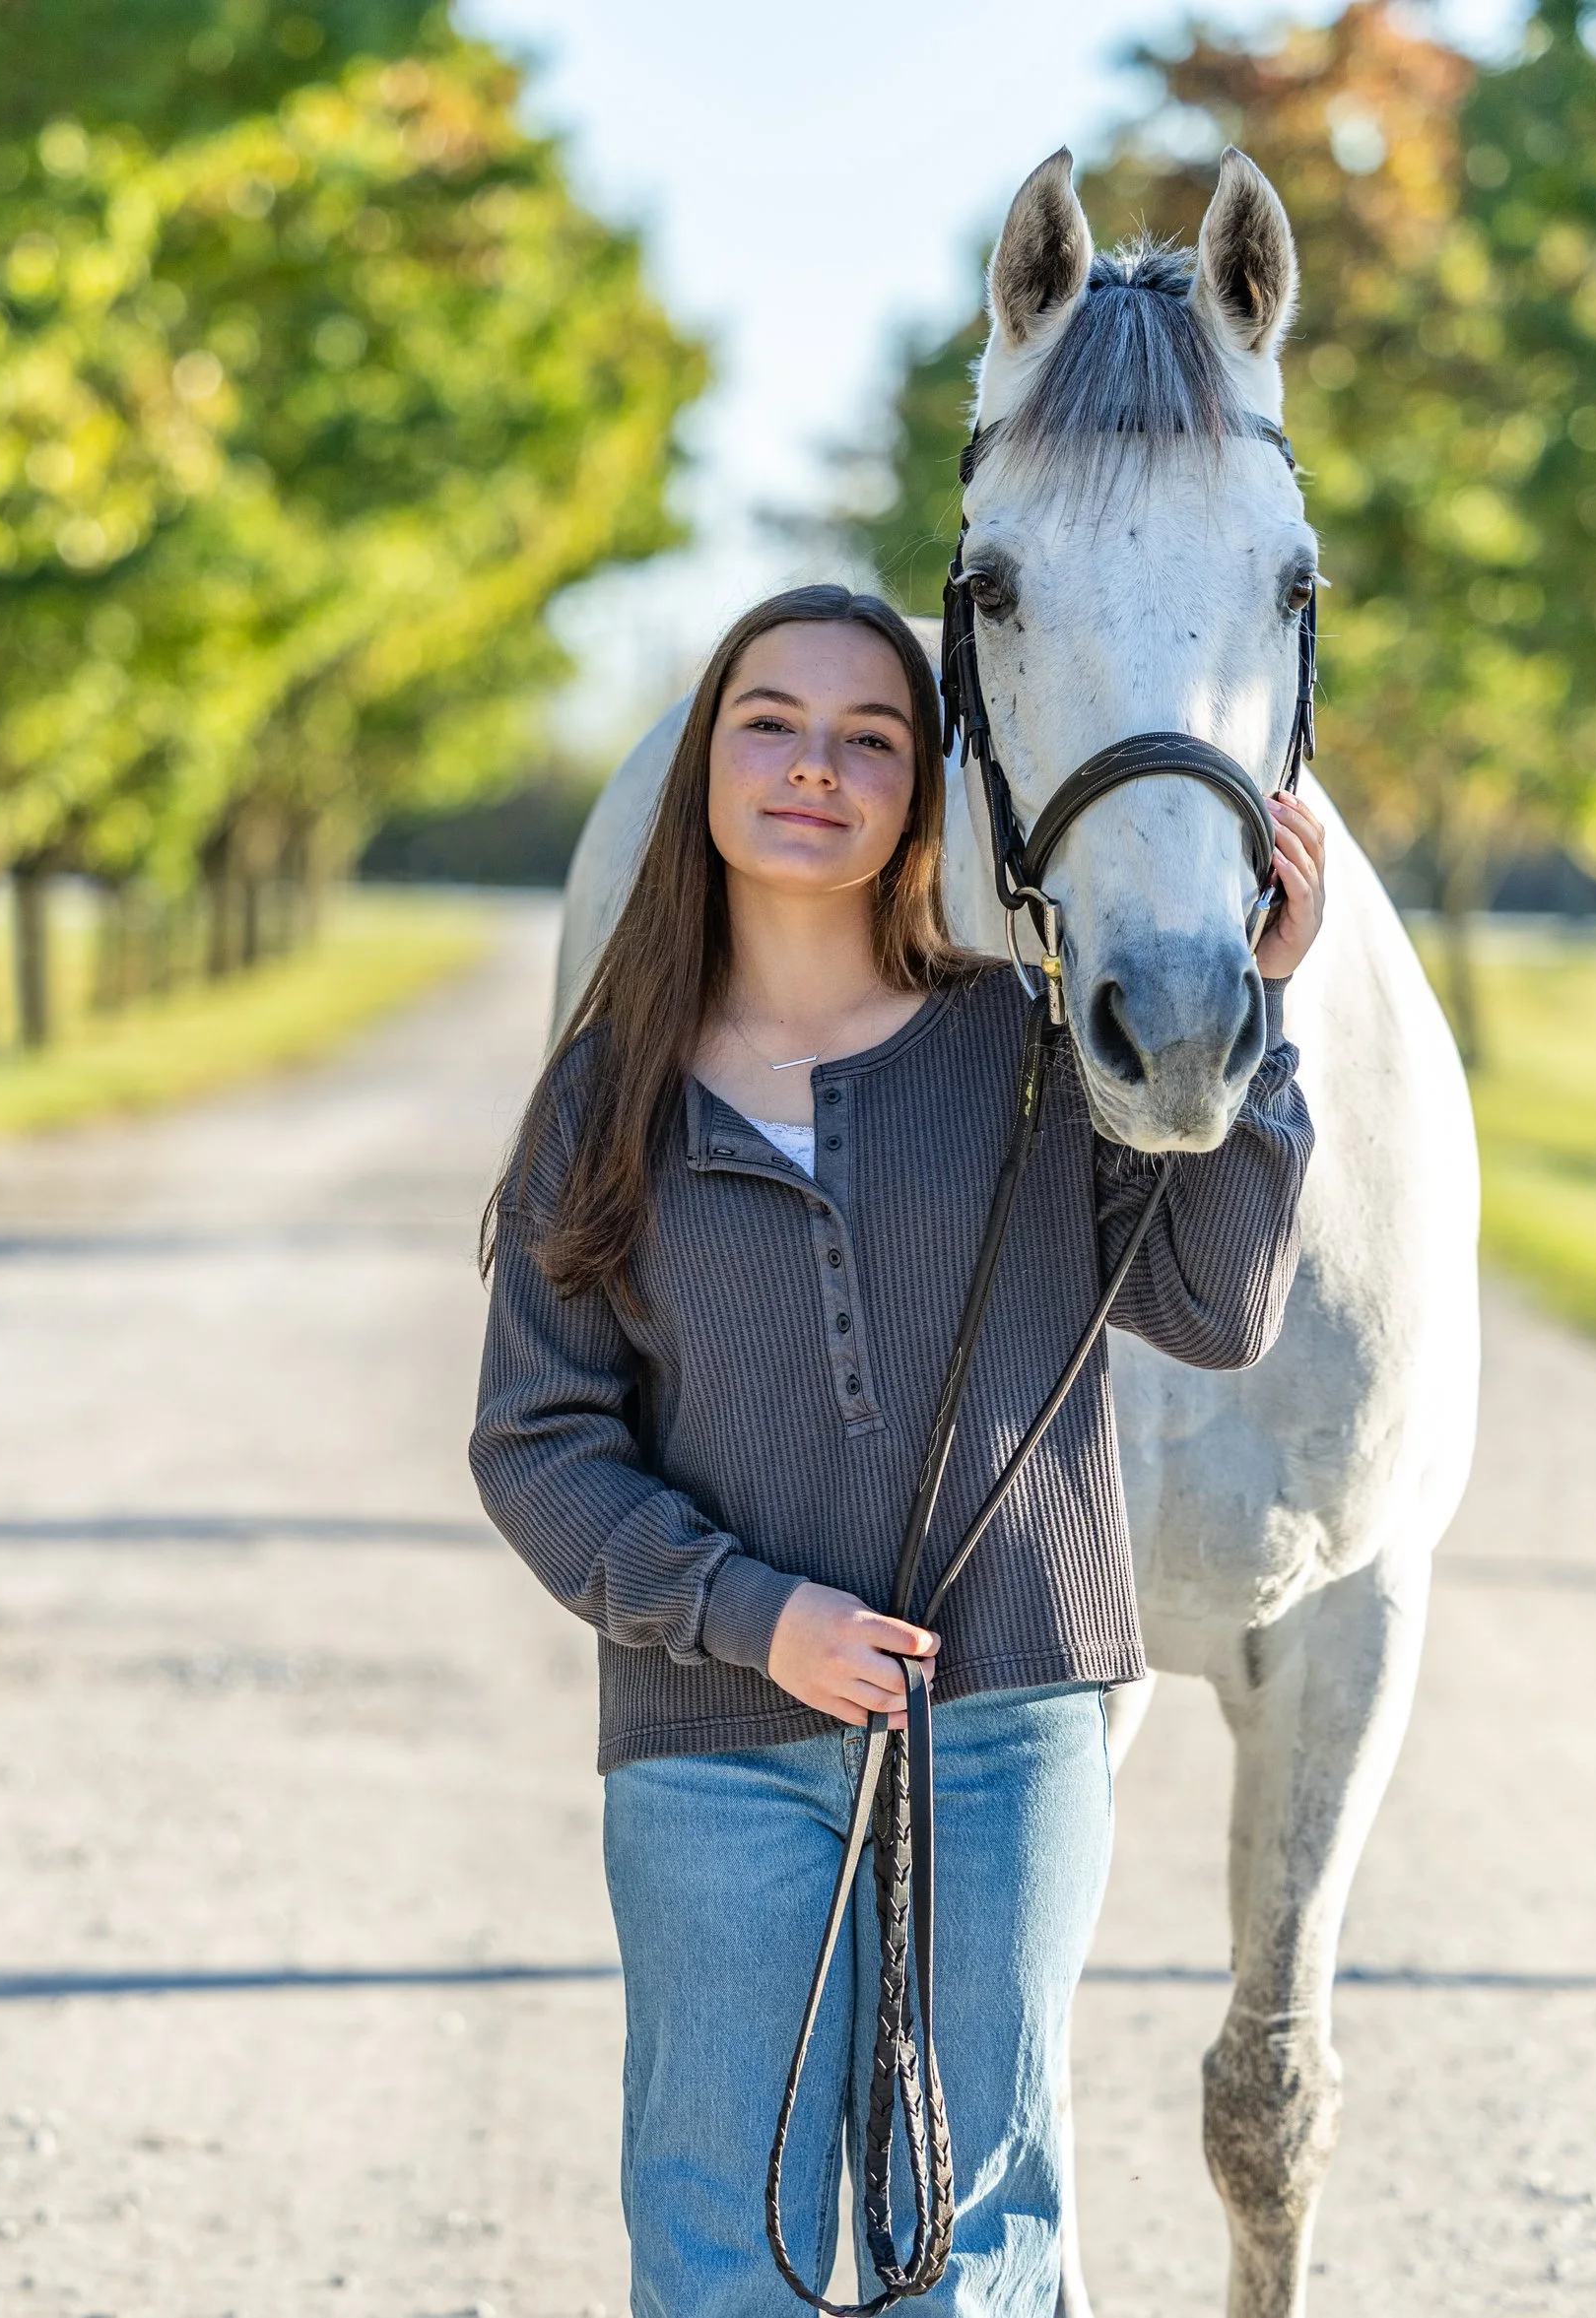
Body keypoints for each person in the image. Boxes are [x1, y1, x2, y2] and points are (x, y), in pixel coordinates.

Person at [471, 582, 1323, 2314]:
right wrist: (746, 1613)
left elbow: (1218, 1301)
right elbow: (538, 1442)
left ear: (923, 797)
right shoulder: (604, 1096)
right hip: (713, 1749)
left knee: (979, 2232)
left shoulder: (1021, 1053)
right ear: (703, 762)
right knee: (724, 2241)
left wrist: (1250, 1018)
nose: (816, 766)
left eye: (873, 738)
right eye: (770, 721)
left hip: (1005, 1733)